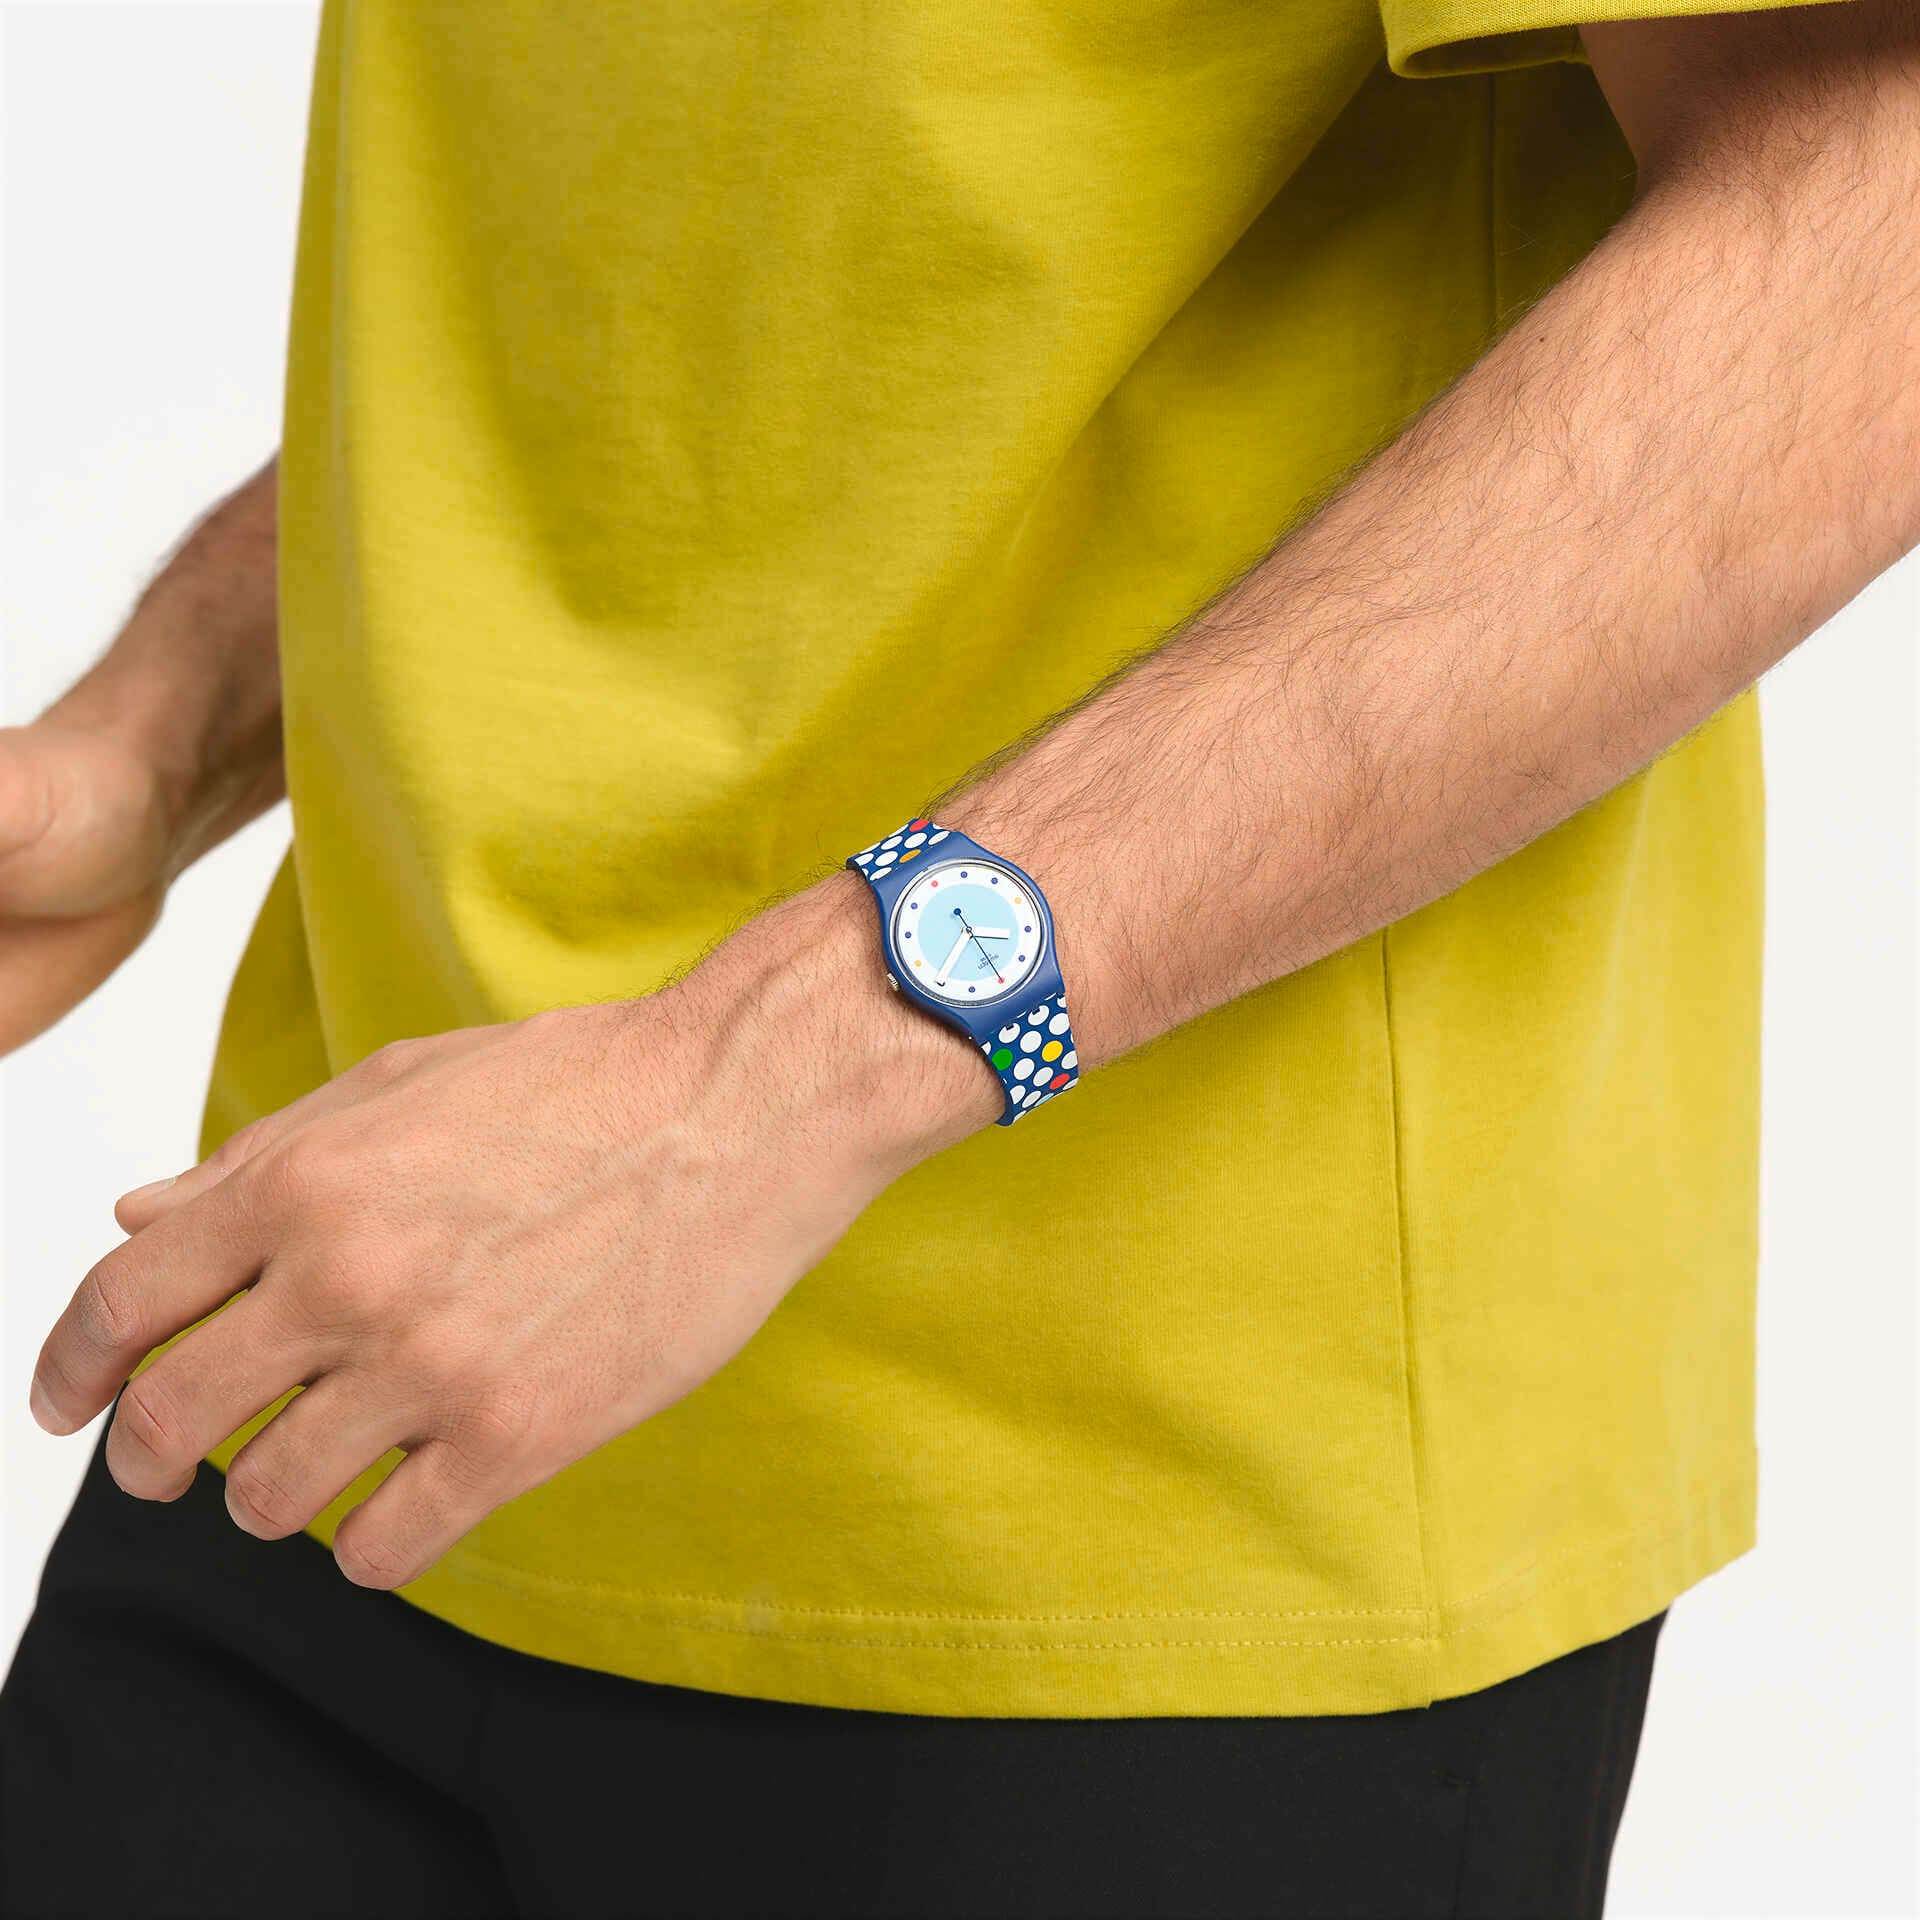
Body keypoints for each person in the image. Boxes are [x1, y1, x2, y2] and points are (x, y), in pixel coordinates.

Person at [2, 0, 1914, 1913]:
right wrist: (162, 734)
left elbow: (1865, 238)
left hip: (1147, 1538)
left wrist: (747, 1087)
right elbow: (737, 250)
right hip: (334, 1328)